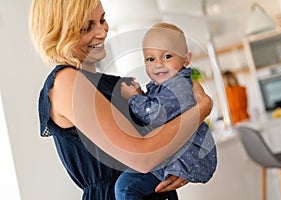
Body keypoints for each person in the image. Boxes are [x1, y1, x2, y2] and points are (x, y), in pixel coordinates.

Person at [29, 0, 213, 199]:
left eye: (102, 20)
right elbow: (144, 157)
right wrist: (203, 107)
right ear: (59, 32)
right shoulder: (67, 82)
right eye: (87, 27)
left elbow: (159, 133)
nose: (102, 32)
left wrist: (180, 165)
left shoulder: (111, 83)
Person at [115, 22, 217, 200]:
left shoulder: (178, 86)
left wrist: (133, 97)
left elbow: (154, 114)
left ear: (186, 59)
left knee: (125, 188)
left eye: (167, 56)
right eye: (150, 59)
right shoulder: (166, 85)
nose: (158, 64)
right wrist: (141, 94)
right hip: (173, 153)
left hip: (180, 157)